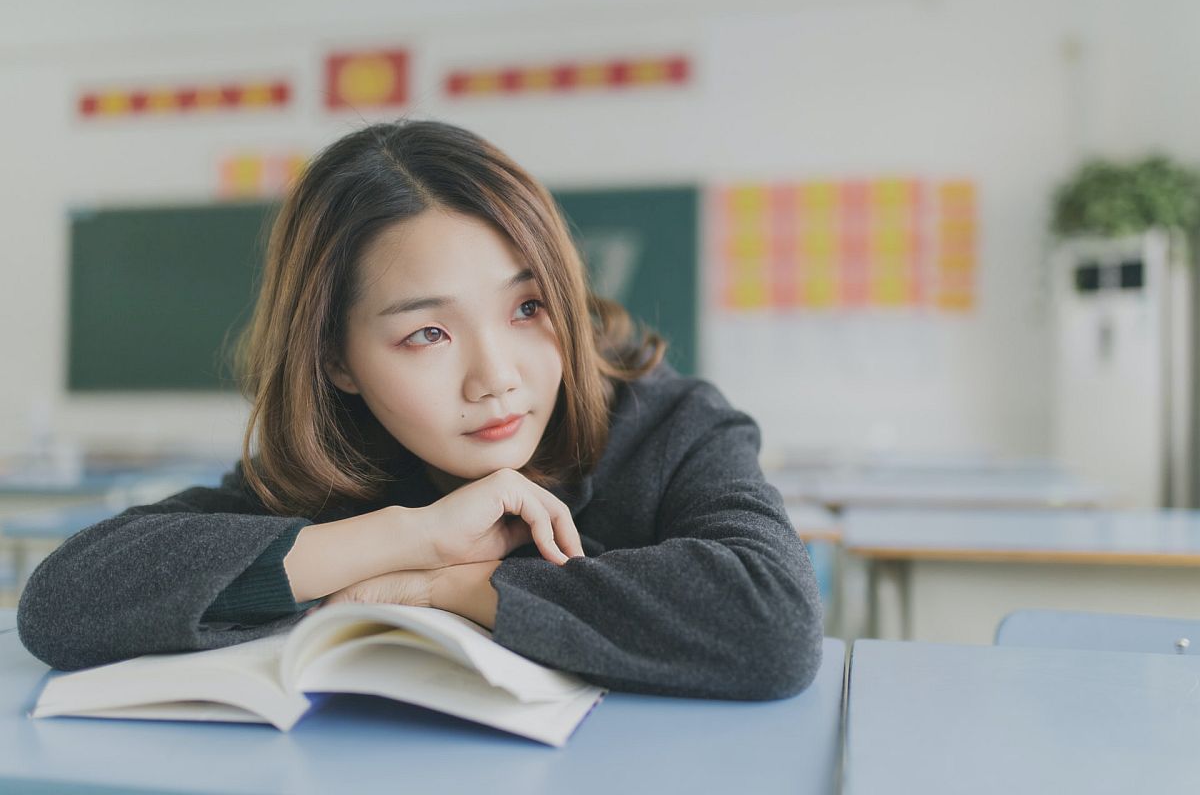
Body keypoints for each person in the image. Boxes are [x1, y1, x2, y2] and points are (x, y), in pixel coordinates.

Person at [18, 120, 822, 699]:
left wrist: (446, 588)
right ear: (336, 358)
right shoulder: (347, 463)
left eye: (528, 307)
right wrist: (407, 536)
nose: (496, 378)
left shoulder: (669, 426)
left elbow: (773, 623)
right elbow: (65, 602)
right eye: (428, 333)